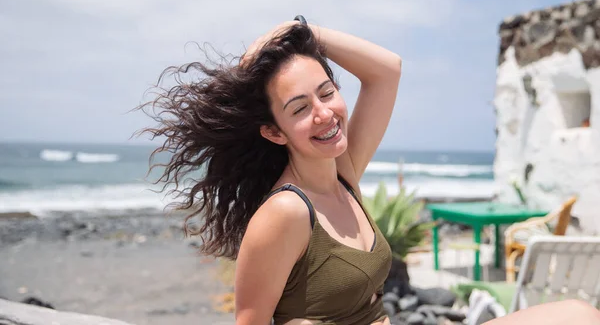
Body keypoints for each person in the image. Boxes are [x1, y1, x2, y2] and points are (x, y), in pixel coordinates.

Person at [139, 18, 600, 325]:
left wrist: (301, 29)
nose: (324, 113)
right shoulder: (284, 213)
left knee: (580, 314)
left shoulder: (343, 173)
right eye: (300, 108)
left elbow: (387, 71)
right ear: (275, 132)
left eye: (326, 92)